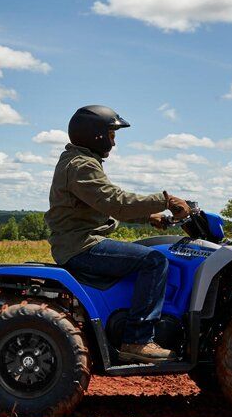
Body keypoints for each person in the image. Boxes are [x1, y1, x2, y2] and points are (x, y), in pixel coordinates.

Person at [44, 105, 192, 363]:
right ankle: (137, 339)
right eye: (111, 134)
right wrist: (164, 200)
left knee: (150, 253)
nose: (114, 141)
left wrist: (148, 217)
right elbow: (117, 202)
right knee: (155, 260)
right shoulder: (81, 166)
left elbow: (105, 207)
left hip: (80, 242)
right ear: (96, 135)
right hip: (82, 246)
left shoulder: (79, 161)